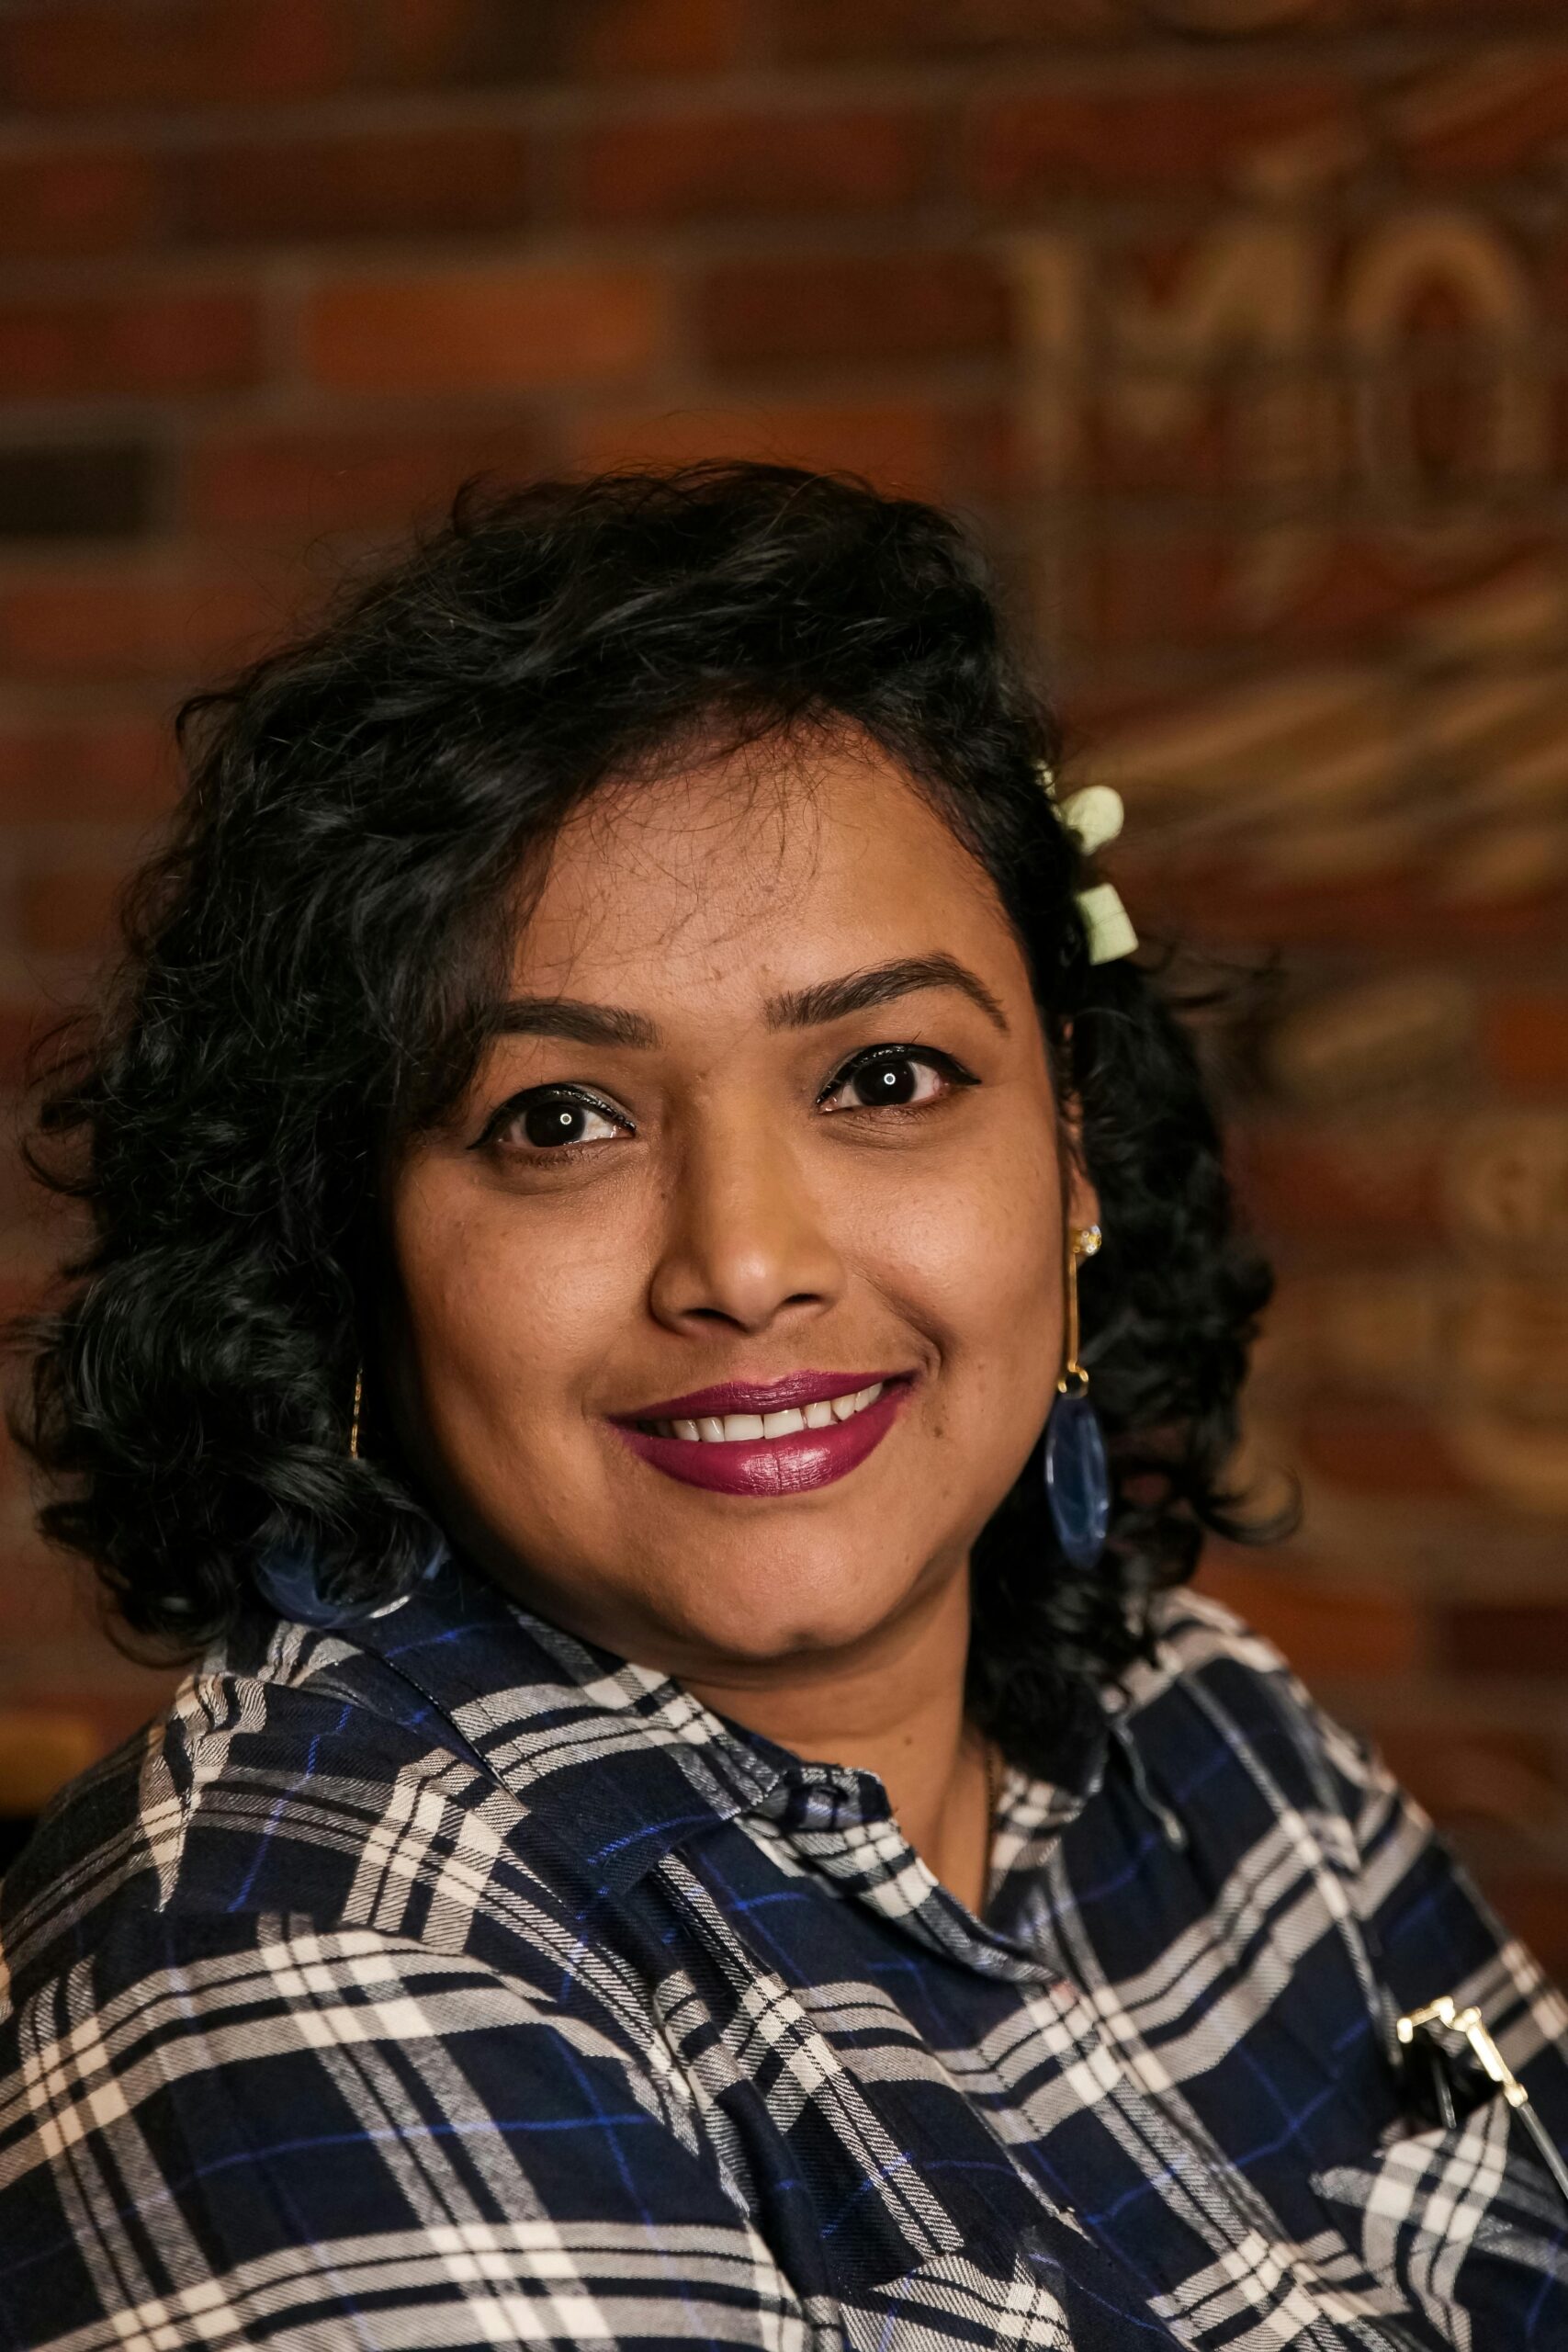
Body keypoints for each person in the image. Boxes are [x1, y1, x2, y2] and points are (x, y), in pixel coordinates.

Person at [0, 465, 1562, 2351]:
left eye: (885, 1076)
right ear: (347, 1245)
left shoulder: (1209, 1731)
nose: (744, 1262)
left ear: (1068, 1149)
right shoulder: (294, 1938)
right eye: (558, 1118)